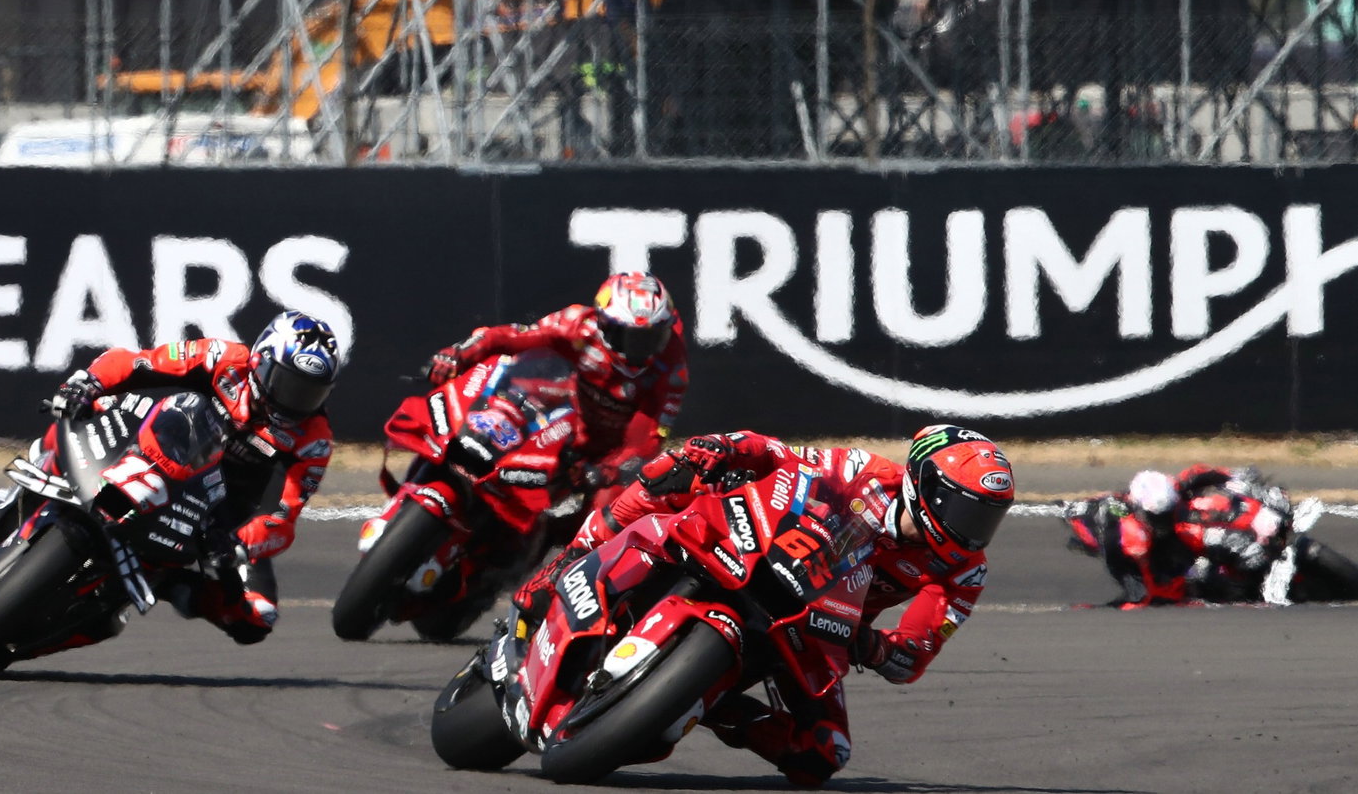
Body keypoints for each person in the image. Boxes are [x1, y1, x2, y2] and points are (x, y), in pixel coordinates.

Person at [512, 424, 1015, 787]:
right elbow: (777, 453)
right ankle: (572, 558)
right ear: (923, 484)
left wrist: (875, 648)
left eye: (987, 517)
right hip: (752, 549)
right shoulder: (861, 470)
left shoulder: (964, 572)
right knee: (674, 472)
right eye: (965, 509)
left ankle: (706, 703)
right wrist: (727, 447)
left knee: (824, 754)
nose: (972, 530)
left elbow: (913, 656)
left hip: (814, 630)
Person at [38, 309, 343, 643]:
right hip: (157, 446)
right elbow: (139, 362)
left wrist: (238, 544)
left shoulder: (314, 440)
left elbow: (282, 519)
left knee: (256, 619)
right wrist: (87, 384)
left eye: (309, 393)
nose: (293, 401)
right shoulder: (223, 357)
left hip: (219, 514)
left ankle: (169, 583)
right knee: (92, 406)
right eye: (287, 384)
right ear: (261, 361)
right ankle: (47, 467)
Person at [422, 271, 687, 511]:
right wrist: (458, 354)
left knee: (611, 504)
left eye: (652, 337)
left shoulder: (672, 368)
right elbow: (510, 337)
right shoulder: (577, 324)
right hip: (563, 417)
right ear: (604, 323)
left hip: (606, 453)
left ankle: (568, 547)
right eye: (630, 337)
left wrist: (606, 471)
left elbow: (648, 438)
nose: (640, 349)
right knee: (510, 395)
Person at [1112, 465, 1290, 607]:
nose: (1162, 520)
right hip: (1193, 558)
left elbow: (1206, 472)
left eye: (1165, 514)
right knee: (1203, 573)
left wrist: (1234, 476)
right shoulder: (1135, 517)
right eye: (1158, 516)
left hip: (1227, 525)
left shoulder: (1183, 491)